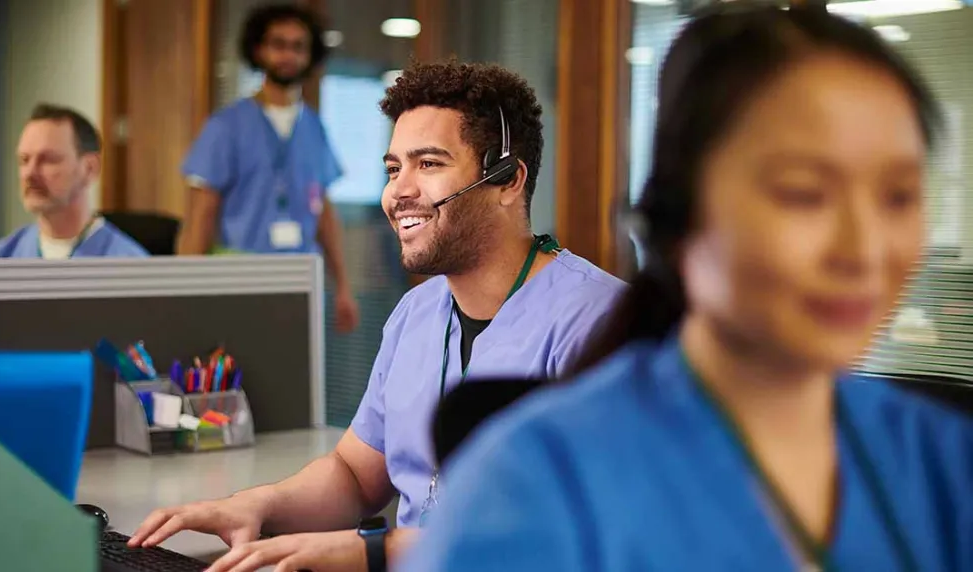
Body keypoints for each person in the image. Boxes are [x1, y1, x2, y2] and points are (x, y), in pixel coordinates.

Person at [402, 4, 973, 572]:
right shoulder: (535, 484)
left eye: (899, 197)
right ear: (681, 215)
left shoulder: (940, 460)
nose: (864, 249)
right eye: (805, 193)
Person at [128, 60, 626, 572]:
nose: (397, 192)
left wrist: (371, 552)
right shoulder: (417, 313)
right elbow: (355, 473)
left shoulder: (599, 323)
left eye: (428, 164)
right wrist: (257, 504)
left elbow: (581, 529)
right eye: (393, 169)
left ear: (507, 180)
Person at [177, 3, 358, 332]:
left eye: (298, 46)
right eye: (278, 44)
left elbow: (324, 213)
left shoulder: (315, 128)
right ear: (258, 50)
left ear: (310, 55)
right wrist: (184, 291)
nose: (288, 55)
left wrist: (343, 286)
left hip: (301, 278)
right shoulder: (226, 126)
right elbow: (201, 213)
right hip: (239, 276)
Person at [0, 104, 148, 259]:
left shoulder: (128, 262)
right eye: (24, 160)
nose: (29, 173)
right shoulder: (1, 257)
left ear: (89, 168)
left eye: (48, 160)